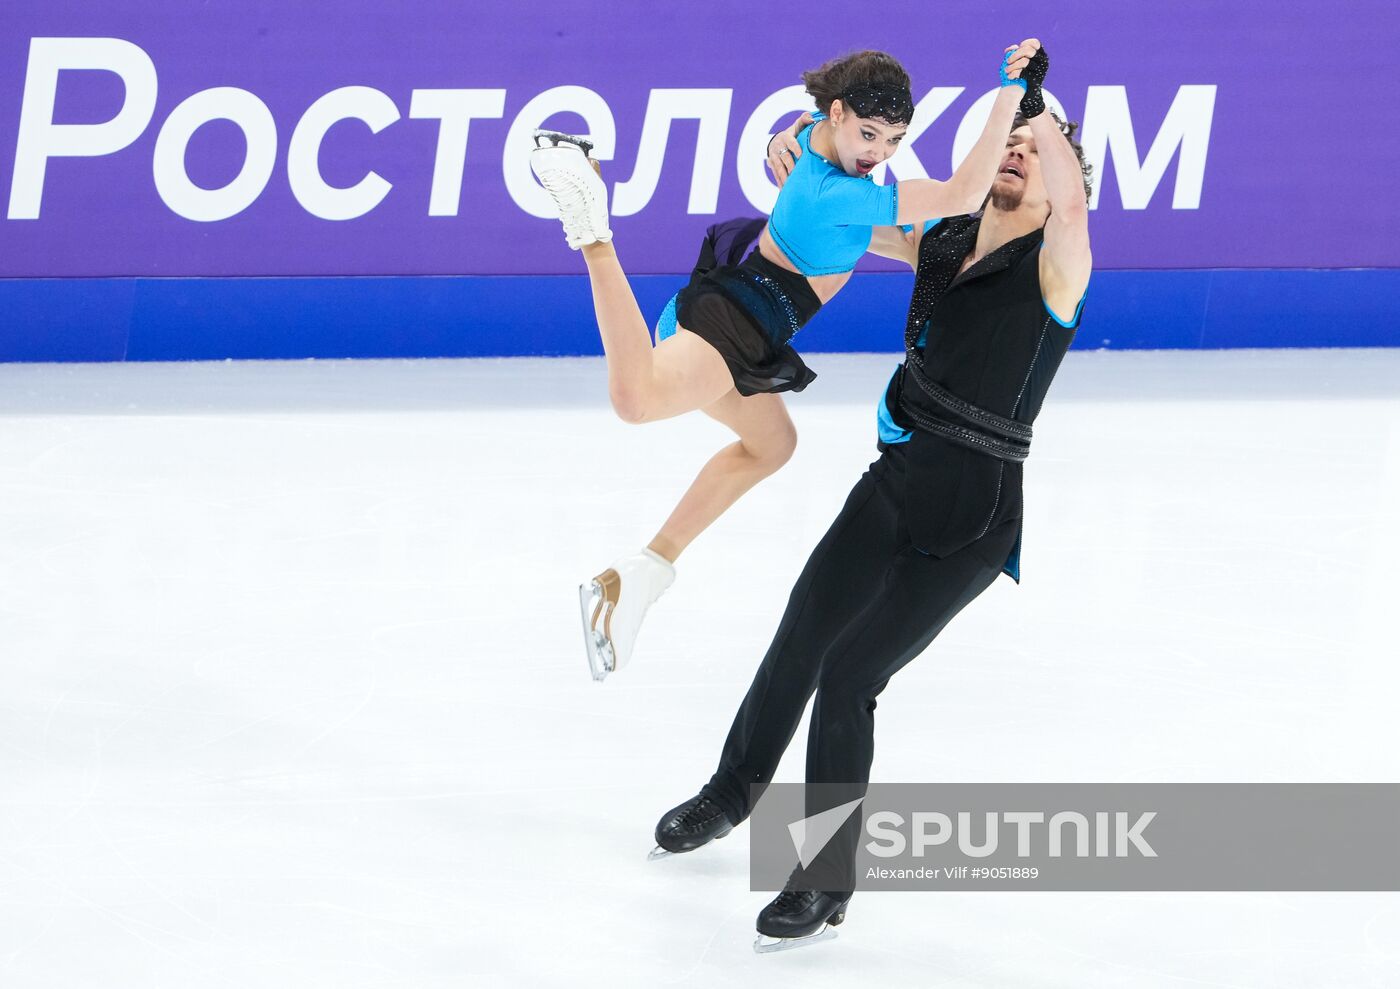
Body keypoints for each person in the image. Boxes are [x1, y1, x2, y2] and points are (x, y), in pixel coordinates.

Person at [650, 45, 1097, 951]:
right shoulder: (943, 239)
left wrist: (1037, 110)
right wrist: (795, 143)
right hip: (893, 483)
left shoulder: (1059, 267)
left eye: (1031, 156)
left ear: (1057, 182)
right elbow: (844, 216)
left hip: (969, 519)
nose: (1012, 158)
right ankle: (732, 791)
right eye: (1004, 149)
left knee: (853, 676)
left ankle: (823, 880)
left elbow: (1072, 195)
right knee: (803, 629)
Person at [530, 44, 1042, 681]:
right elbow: (963, 192)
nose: (878, 153)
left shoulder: (821, 156)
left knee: (771, 444)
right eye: (868, 133)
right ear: (836, 113)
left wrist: (794, 134)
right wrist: (1008, 94)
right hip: (739, 321)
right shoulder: (838, 193)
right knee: (636, 401)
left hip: (743, 309)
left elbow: (890, 219)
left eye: (892, 140)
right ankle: (592, 232)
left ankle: (640, 574)